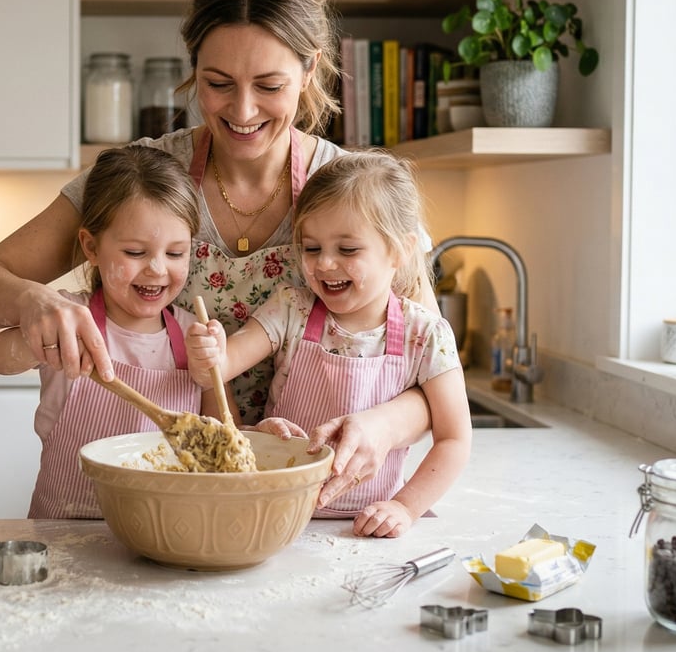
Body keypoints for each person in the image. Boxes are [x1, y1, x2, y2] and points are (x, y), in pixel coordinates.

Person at [0, 0, 436, 503]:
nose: (244, 111)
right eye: (219, 82)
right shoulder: (143, 176)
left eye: (270, 86)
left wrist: (384, 427)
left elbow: (431, 362)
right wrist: (31, 302)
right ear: (193, 68)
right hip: (158, 488)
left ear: (310, 69)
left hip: (308, 496)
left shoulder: (354, 191)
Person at [185, 151, 469, 537]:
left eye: (347, 250)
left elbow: (454, 439)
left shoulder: (427, 334)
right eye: (311, 248)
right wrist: (210, 351)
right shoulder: (291, 307)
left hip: (363, 529)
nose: (324, 265)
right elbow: (219, 367)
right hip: (277, 518)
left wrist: (405, 507)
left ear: (400, 250)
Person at [0, 145, 219, 517]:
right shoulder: (69, 315)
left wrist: (210, 372)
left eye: (176, 254)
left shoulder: (193, 334)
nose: (158, 270)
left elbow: (222, 438)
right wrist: (43, 336)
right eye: (135, 253)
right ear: (91, 246)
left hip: (164, 532)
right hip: (64, 532)